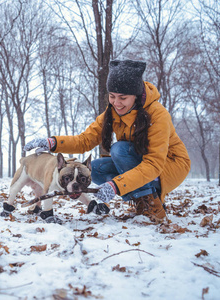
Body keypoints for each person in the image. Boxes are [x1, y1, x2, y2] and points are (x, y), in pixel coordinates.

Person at [24, 59, 191, 222]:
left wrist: (116, 186)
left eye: (122, 98)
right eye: (112, 96)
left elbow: (154, 163)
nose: (116, 103)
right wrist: (52, 143)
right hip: (139, 160)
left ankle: (152, 205)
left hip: (169, 165)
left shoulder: (157, 115)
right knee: (95, 169)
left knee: (119, 150)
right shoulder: (113, 112)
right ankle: (141, 199)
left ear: (136, 95)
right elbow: (85, 140)